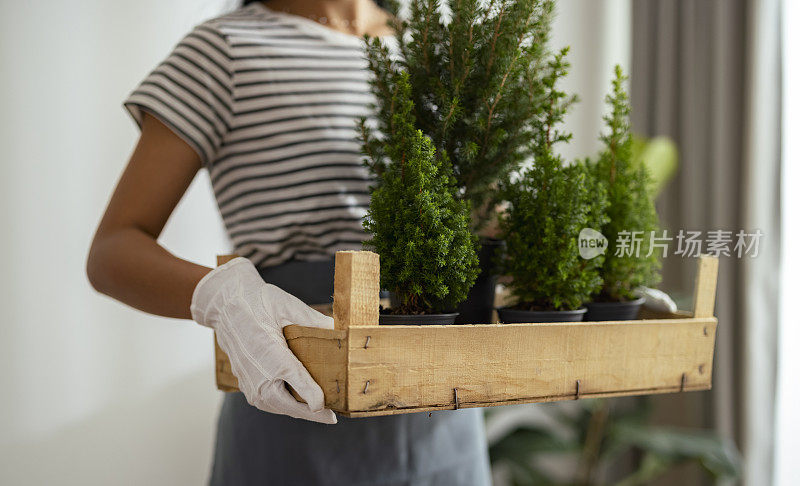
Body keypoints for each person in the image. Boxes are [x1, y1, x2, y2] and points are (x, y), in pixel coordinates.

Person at [87, 1, 491, 484]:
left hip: (445, 415)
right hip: (297, 394)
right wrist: (225, 298)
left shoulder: (432, 54)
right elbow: (113, 250)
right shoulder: (225, 50)